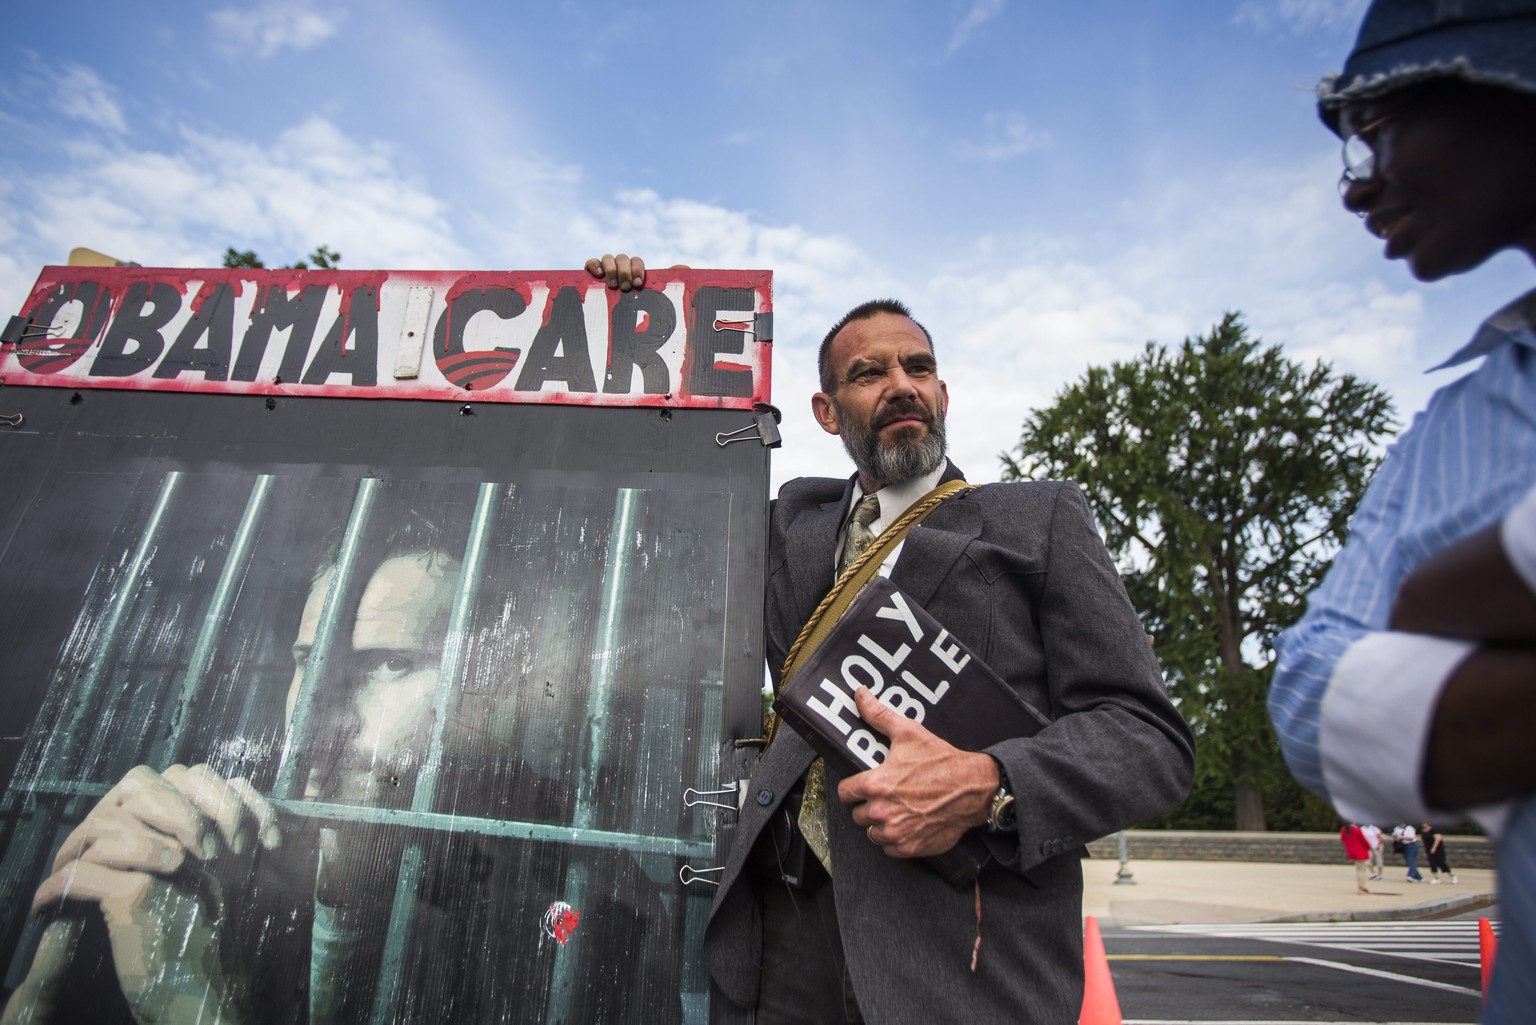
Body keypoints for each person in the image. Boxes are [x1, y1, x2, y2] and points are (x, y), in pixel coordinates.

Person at [590, 257, 1194, 1023]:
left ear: (943, 393)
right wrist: (624, 323)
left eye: (919, 366)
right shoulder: (787, 529)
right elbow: (652, 504)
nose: (901, 384)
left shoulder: (1035, 521)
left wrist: (989, 782)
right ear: (826, 409)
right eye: (869, 372)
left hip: (955, 956)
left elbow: (1151, 743)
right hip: (779, 943)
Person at [3, 519, 680, 1024]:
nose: (319, 709)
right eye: (308, 659)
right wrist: (44, 990)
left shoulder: (580, 899)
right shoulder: (221, 840)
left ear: (494, 679)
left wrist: (190, 1007)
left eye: (388, 662)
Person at [1264, 1, 1536, 1018]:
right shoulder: (1448, 428)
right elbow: (1305, 694)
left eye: (1375, 127)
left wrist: (1490, 583)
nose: (1358, 186)